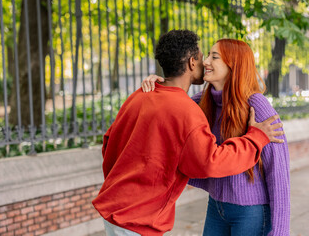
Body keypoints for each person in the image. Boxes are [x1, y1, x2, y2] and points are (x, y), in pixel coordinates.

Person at [92, 30, 285, 236]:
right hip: (139, 220)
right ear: (192, 63)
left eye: (214, 57)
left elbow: (109, 143)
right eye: (204, 57)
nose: (206, 63)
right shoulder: (190, 108)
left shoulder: (139, 96)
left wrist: (122, 184)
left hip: (115, 209)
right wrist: (256, 138)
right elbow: (210, 161)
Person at [142, 39, 290, 235]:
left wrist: (279, 231)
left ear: (233, 64)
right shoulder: (202, 102)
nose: (205, 62)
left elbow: (278, 171)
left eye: (215, 57)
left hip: (251, 212)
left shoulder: (257, 105)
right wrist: (158, 84)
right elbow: (169, 110)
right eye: (208, 55)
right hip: (216, 207)